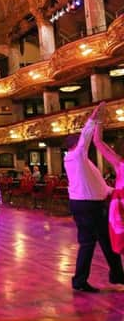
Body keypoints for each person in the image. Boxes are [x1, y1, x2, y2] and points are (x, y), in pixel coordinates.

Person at [64, 102, 124, 293]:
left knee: (105, 240)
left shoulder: (84, 164)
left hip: (90, 205)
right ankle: (80, 281)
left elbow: (100, 187)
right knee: (89, 242)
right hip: (87, 207)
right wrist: (94, 119)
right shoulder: (75, 157)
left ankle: (117, 275)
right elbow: (86, 141)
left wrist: (114, 192)